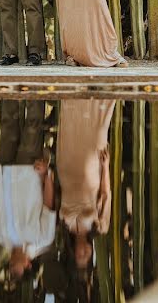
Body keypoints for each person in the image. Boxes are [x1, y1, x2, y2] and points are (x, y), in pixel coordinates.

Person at [0, 100, 56, 279]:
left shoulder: (1, 236)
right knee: (33, 123)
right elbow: (48, 204)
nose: (11, 263)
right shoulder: (42, 239)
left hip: (5, 171)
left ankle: (8, 79)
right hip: (29, 171)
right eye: (15, 268)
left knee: (8, 124)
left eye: (9, 266)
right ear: (27, 264)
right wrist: (46, 174)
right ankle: (35, 79)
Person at [56, 99, 115, 275]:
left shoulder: (63, 226)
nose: (83, 253)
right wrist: (105, 168)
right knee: (97, 130)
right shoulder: (100, 227)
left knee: (70, 126)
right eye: (86, 257)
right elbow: (105, 194)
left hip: (67, 164)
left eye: (79, 256)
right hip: (92, 170)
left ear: (73, 253)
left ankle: (75, 92)